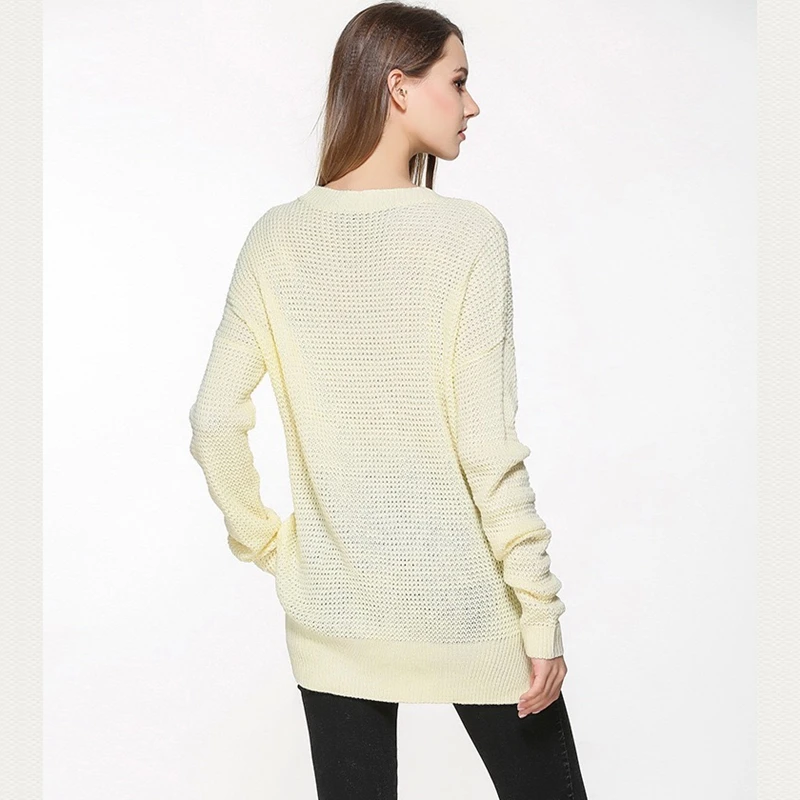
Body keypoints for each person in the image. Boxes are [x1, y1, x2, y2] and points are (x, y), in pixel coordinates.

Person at [188, 3, 588, 798]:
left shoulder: (275, 238)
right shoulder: (467, 236)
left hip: (331, 619)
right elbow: (487, 445)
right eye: (459, 81)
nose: (473, 104)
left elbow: (212, 422)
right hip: (471, 613)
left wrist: (274, 548)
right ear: (399, 88)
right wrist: (538, 608)